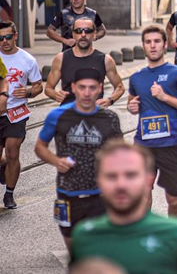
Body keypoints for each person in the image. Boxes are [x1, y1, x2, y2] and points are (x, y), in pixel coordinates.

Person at [71, 141, 177, 274]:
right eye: (111, 176)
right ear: (98, 182)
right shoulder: (84, 236)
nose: (121, 185)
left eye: (131, 175)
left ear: (148, 179)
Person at [35, 68, 121, 245]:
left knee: (100, 250)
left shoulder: (109, 118)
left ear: (99, 88)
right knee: (73, 247)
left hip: (101, 194)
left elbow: (120, 153)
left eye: (92, 88)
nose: (87, 93)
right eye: (82, 87)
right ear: (73, 88)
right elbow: (40, 147)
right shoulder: (58, 116)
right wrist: (56, 161)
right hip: (68, 192)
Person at [126, 26, 177, 218]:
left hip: (170, 145)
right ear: (143, 46)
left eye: (157, 41)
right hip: (143, 146)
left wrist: (165, 97)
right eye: (148, 42)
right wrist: (131, 107)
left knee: (174, 199)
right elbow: (132, 103)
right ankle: (143, 238)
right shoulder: (136, 77)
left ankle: (174, 236)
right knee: (142, 195)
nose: (153, 46)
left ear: (165, 44)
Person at [0, 20, 43, 209]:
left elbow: (38, 86)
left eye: (8, 37)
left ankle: (9, 194)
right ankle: (3, 168)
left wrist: (27, 92)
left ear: (15, 36)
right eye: (0, 38)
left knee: (12, 151)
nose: (4, 41)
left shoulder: (27, 60)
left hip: (16, 113)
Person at [45, 18, 125, 107]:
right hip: (69, 117)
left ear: (94, 34)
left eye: (87, 31)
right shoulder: (61, 58)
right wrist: (55, 95)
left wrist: (109, 100)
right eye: (78, 31)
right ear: (73, 34)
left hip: (94, 117)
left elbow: (120, 87)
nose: (83, 35)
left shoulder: (105, 60)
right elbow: (48, 88)